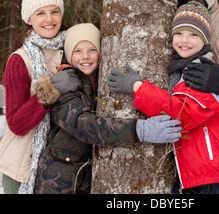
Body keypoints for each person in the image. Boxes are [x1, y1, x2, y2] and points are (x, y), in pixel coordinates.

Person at [107, 1, 219, 194]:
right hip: (199, 173)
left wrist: (137, 87)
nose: (185, 40)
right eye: (179, 33)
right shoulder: (181, 71)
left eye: (193, 34)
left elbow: (181, 113)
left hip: (216, 174)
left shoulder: (202, 72)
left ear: (205, 39)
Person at [33, 23, 182, 194]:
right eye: (77, 51)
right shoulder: (64, 86)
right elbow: (85, 126)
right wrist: (141, 129)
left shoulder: (96, 84)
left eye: (92, 50)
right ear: (68, 54)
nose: (85, 57)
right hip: (56, 183)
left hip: (82, 181)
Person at [0, 0, 79, 194]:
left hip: (61, 163)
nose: (50, 19)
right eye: (41, 13)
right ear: (29, 19)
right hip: (23, 166)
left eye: (54, 11)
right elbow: (16, 122)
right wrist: (50, 89)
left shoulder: (74, 48)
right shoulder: (19, 61)